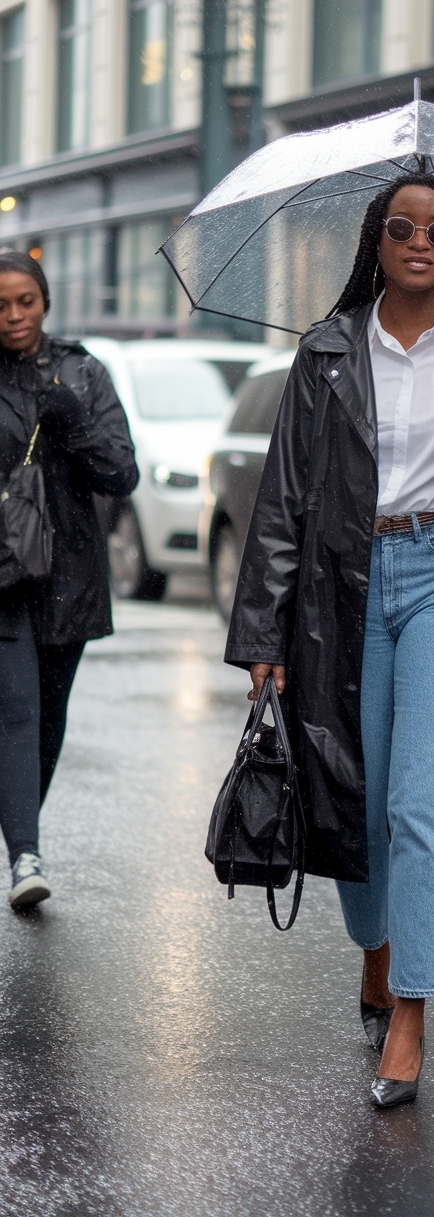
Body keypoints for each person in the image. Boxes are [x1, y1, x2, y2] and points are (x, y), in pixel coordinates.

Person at [225, 173, 434, 1107]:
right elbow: (282, 502)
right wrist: (264, 633)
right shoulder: (326, 353)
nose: (420, 241)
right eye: (403, 227)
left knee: (421, 806)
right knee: (353, 804)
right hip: (343, 589)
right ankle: (375, 950)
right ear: (376, 240)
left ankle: (409, 1010)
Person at [0, 252, 138, 908]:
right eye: (1, 304)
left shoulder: (83, 371)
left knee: (48, 719)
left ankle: (19, 830)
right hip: (4, 579)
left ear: (45, 302)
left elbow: (121, 472)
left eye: (25, 301)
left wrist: (70, 419)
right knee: (17, 708)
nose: (14, 315)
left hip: (69, 576)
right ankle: (25, 854)